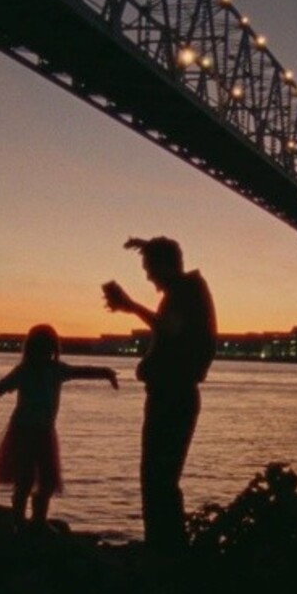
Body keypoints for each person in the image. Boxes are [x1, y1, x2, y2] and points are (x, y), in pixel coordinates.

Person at [103, 236, 216, 551]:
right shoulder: (188, 291)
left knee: (157, 482)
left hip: (172, 398)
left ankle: (164, 555)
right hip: (171, 396)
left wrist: (131, 306)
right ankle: (167, 552)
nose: (148, 276)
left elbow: (170, 328)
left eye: (149, 268)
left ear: (165, 266)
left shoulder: (185, 292)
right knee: (160, 482)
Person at [0, 324, 118, 527]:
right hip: (23, 431)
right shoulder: (24, 371)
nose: (43, 353)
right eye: (39, 348)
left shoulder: (56, 369)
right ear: (31, 349)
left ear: (53, 349)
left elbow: (82, 371)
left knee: (46, 481)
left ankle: (38, 521)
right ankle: (18, 520)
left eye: (47, 348)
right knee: (25, 480)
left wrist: (105, 372)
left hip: (44, 432)